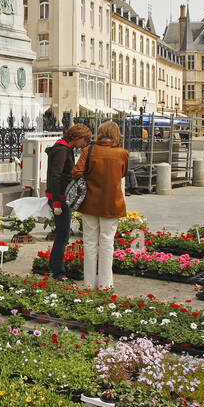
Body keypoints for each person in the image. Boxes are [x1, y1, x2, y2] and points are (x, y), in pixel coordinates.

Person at [69, 120, 128, 290]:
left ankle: (88, 283)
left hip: (90, 203)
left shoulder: (89, 150)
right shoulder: (122, 153)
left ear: (100, 132)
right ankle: (105, 284)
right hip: (112, 203)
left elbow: (76, 172)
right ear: (116, 134)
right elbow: (123, 174)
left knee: (88, 242)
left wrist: (92, 175)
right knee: (107, 242)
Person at [44, 123, 92, 280]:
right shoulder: (62, 150)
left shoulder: (64, 148)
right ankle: (58, 273)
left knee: (62, 234)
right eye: (84, 140)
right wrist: (57, 201)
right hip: (60, 198)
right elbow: (55, 176)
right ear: (77, 137)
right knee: (63, 235)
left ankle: (55, 267)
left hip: (61, 197)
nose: (84, 144)